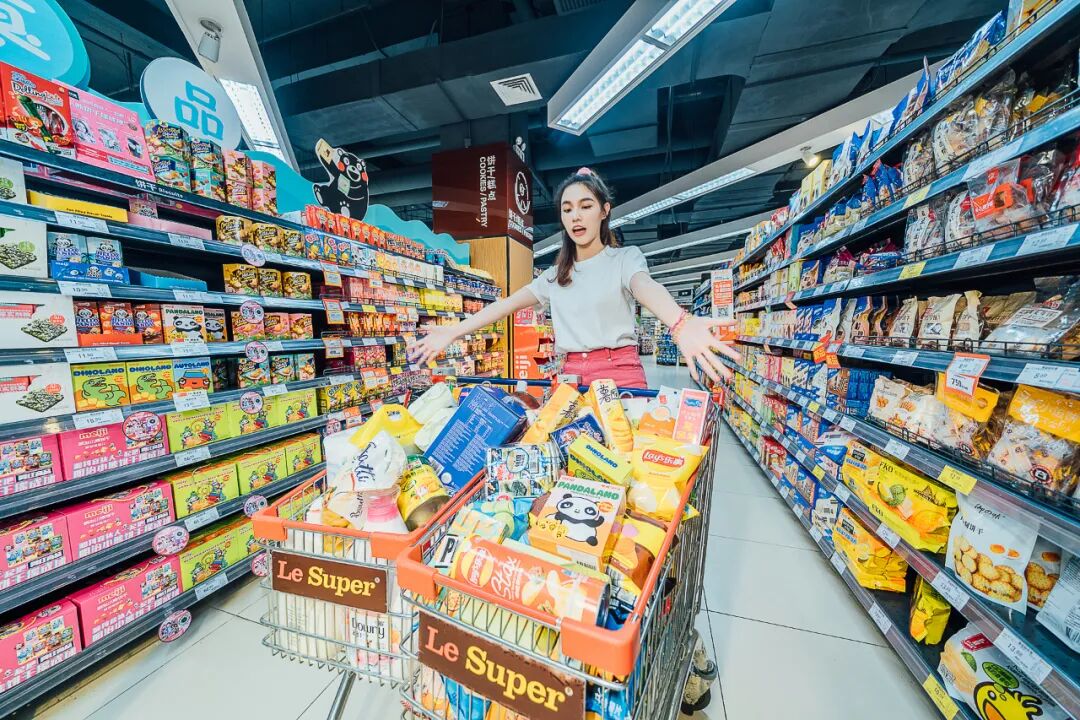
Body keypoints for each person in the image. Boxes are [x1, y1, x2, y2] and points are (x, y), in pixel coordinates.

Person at [407, 168, 739, 387]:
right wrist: (453, 331)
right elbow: (504, 305)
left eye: (585, 206)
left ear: (604, 210)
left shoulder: (624, 259)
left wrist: (679, 322)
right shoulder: (555, 277)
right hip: (570, 376)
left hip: (620, 374)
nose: (575, 216)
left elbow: (644, 286)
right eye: (567, 209)